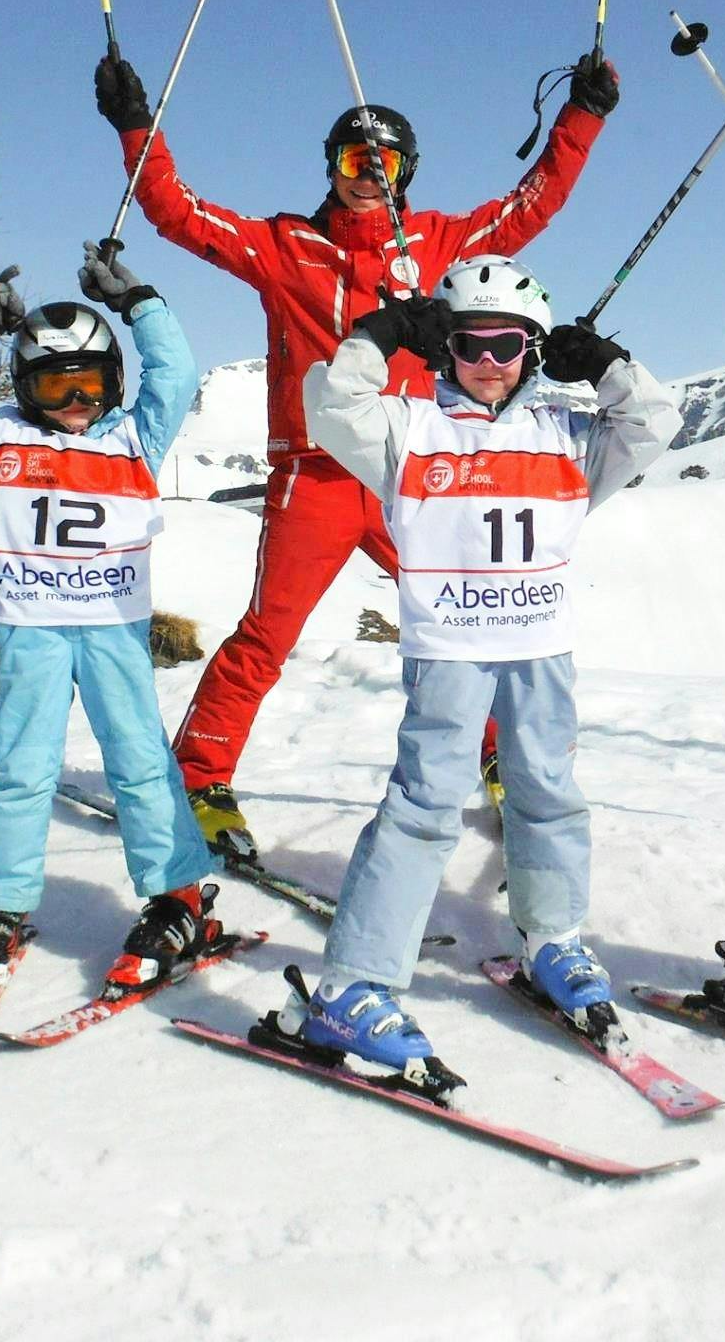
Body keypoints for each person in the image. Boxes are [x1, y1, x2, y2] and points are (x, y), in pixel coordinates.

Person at [93, 51, 621, 857]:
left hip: (414, 475)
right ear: (330, 168)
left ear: (407, 170)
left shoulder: (438, 243)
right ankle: (200, 776)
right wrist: (137, 126)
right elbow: (176, 212)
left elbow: (529, 207)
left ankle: (500, 758)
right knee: (269, 633)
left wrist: (580, 118)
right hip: (316, 474)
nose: (366, 176)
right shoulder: (285, 246)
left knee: (466, 620)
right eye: (352, 160)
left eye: (383, 162)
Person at [263, 255, 677, 1084]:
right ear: (444, 345)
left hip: (539, 650)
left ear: (533, 347)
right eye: (469, 343)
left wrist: (604, 365)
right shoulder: (407, 430)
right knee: (421, 810)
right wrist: (383, 333)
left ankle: (553, 938)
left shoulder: (568, 434)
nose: (490, 363)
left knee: (547, 792)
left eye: (511, 344)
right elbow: (331, 404)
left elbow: (654, 427)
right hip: (450, 652)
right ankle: (351, 986)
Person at [0, 247, 226, 1025]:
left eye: (92, 381)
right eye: (58, 384)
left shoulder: (134, 442)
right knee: (18, 768)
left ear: (114, 383)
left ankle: (177, 895)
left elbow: (177, 378)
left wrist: (143, 303)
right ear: (28, 387)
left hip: (114, 632)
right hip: (34, 634)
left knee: (139, 764)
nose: (78, 399)